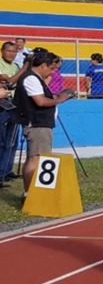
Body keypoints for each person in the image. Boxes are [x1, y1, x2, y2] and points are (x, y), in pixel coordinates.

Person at [13, 50, 75, 197]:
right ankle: (31, 194)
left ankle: (31, 193)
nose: (52, 73)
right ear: (43, 65)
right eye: (51, 68)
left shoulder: (35, 78)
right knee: (37, 158)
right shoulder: (31, 78)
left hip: (40, 123)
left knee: (35, 157)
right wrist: (60, 99)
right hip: (37, 124)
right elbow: (40, 101)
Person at [0, 41, 23, 184]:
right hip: (2, 106)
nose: (11, 54)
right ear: (2, 51)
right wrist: (24, 68)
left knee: (12, 141)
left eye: (14, 52)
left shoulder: (15, 66)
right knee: (2, 141)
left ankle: (7, 170)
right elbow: (9, 81)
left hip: (14, 105)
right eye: (8, 51)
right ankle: (0, 172)